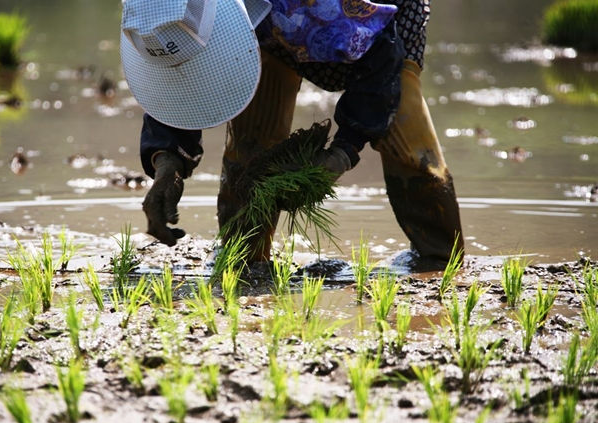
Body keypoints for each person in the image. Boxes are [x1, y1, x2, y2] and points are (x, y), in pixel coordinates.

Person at [121, 0, 464, 270]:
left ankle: (439, 263)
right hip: (266, 27)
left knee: (407, 144)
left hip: (371, 20)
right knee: (252, 144)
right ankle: (245, 261)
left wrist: (343, 152)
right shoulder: (179, 16)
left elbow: (382, 58)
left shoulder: (324, 10)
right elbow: (178, 76)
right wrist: (167, 161)